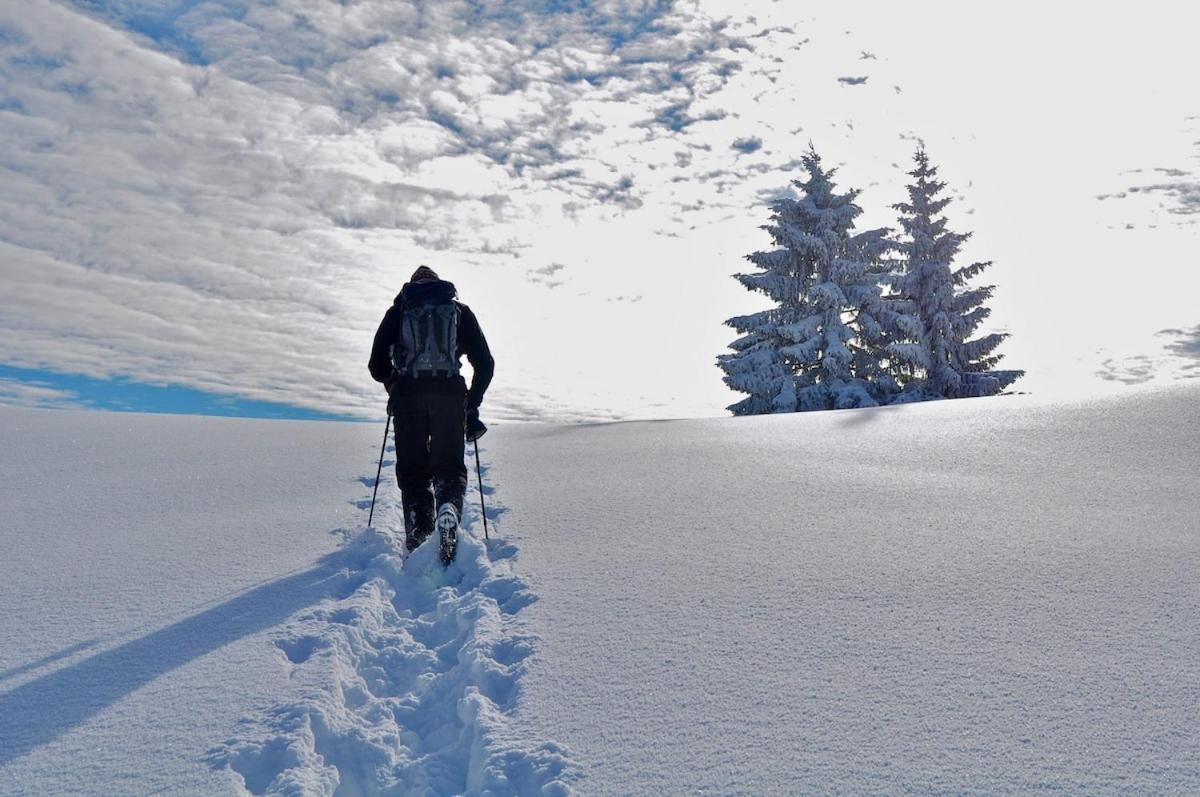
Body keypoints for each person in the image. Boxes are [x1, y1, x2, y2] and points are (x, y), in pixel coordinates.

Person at [368, 266, 493, 562]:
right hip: (449, 395)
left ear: (411, 285)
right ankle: (448, 509)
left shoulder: (399, 311)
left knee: (413, 472)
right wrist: (471, 402)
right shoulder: (459, 311)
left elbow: (376, 365)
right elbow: (485, 363)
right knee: (449, 467)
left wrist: (394, 383)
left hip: (408, 396)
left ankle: (419, 532)